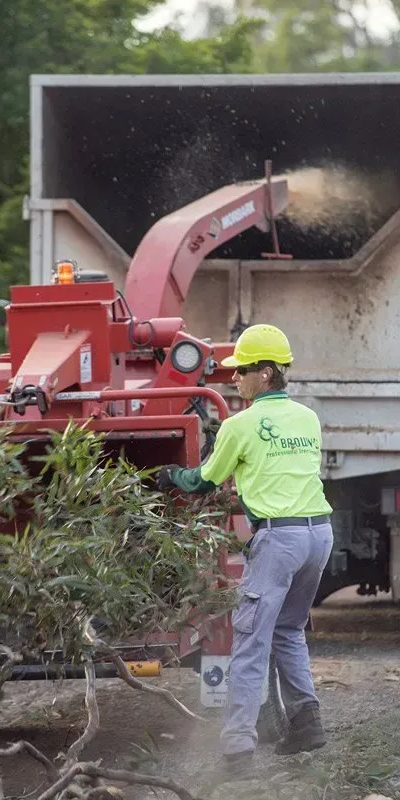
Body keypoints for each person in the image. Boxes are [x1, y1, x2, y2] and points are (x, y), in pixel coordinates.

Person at [157, 323, 333, 775]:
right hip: (319, 534)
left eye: (243, 371)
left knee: (250, 642)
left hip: (279, 540)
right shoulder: (308, 418)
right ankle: (307, 726)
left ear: (267, 374)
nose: (233, 378)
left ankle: (237, 751)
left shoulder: (241, 424)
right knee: (289, 630)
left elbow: (203, 480)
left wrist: (167, 477)